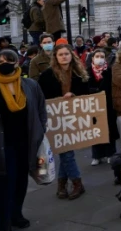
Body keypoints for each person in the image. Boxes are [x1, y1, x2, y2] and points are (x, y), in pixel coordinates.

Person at [0, 50, 47, 231]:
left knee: (22, 181)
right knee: (6, 183)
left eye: (8, 60)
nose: (4, 63)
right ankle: (5, 222)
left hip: (26, 142)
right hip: (3, 144)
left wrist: (40, 130)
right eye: (0, 61)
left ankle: (17, 213)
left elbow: (41, 110)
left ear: (17, 63)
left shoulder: (30, 85)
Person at [38, 43, 89, 201]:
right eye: (60, 55)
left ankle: (61, 185)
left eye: (66, 54)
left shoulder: (79, 73)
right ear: (56, 57)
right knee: (66, 152)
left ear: (71, 55)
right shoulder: (47, 75)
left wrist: (74, 94)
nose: (64, 57)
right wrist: (60, 99)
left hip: (73, 118)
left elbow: (87, 93)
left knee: (66, 151)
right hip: (55, 119)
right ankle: (77, 182)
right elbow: (42, 97)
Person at [87, 49, 118, 166]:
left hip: (108, 105)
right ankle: (97, 155)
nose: (99, 58)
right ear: (92, 58)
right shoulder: (87, 72)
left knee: (109, 130)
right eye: (97, 56)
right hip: (93, 105)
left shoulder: (109, 71)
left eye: (102, 56)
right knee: (95, 130)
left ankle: (110, 153)